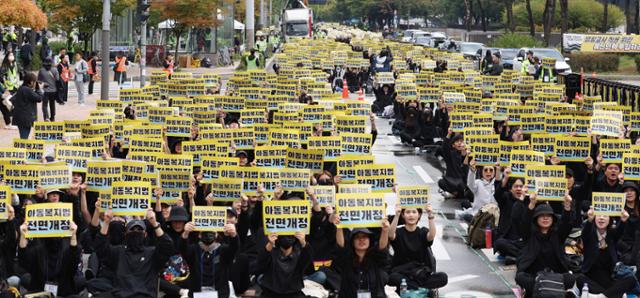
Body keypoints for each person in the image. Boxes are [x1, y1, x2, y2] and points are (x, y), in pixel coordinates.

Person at [94, 208, 174, 298]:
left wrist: (154, 223)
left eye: (139, 230)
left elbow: (167, 246)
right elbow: (101, 248)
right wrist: (106, 222)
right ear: (126, 234)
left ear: (145, 234)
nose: (136, 232)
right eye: (132, 230)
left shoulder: (152, 253)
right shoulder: (119, 252)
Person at [515, 197, 576, 298]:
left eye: (548, 216)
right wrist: (531, 205)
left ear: (553, 219)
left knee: (571, 278)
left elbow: (566, 224)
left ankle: (547, 289)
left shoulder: (558, 235)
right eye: (542, 216)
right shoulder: (529, 235)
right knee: (520, 277)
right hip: (535, 277)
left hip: (556, 277)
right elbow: (523, 222)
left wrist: (567, 206)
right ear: (536, 219)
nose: (545, 218)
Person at [388, 203, 448, 296]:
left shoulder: (423, 231)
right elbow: (391, 235)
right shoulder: (399, 232)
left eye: (414, 212)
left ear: (419, 215)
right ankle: (423, 288)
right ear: (403, 215)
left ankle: (414, 287)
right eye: (407, 212)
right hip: (402, 273)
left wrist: (430, 215)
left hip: (421, 273)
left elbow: (431, 235)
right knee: (392, 278)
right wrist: (397, 215)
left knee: (443, 277)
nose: (411, 215)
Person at [576, 207, 636, 298]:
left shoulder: (612, 234)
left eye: (605, 216)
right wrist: (589, 219)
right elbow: (585, 232)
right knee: (580, 280)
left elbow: (620, 230)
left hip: (609, 277)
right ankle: (614, 294)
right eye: (599, 215)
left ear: (609, 220)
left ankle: (601, 296)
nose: (601, 218)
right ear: (595, 218)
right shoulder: (589, 234)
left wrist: (623, 221)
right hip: (591, 276)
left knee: (631, 280)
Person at [18, 220, 82, 296]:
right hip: (39, 293)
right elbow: (24, 261)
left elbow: (73, 263)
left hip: (64, 294)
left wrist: (73, 236)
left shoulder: (68, 248)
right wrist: (23, 235)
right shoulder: (37, 250)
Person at [332, 216, 390, 298]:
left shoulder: (376, 258)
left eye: (365, 237)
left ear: (370, 240)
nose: (361, 240)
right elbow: (340, 247)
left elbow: (382, 248)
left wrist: (385, 231)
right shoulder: (346, 259)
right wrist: (339, 227)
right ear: (352, 242)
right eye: (357, 237)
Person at [258, 232, 312, 298]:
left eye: (289, 235)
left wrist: (303, 242)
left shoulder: (300, 254)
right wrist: (270, 243)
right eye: (283, 235)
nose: (287, 238)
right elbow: (261, 264)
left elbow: (308, 257)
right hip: (271, 293)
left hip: (294, 293)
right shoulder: (270, 251)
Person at [10, 72, 43, 139]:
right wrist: (39, 89)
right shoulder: (27, 90)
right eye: (34, 82)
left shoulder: (21, 88)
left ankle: (22, 148)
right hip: (25, 119)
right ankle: (22, 149)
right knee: (24, 138)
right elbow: (39, 98)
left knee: (23, 137)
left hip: (20, 117)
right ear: (31, 82)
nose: (35, 84)